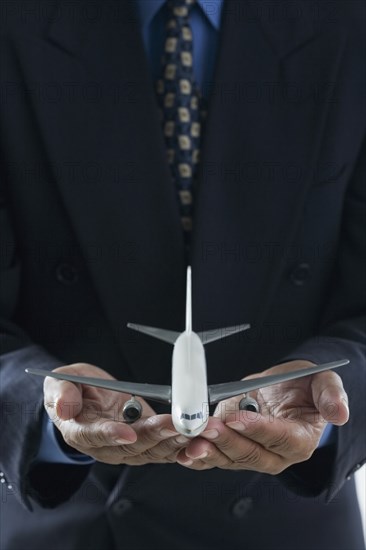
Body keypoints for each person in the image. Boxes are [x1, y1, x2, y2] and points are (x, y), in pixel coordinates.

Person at [0, 0, 365, 549]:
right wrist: (48, 411)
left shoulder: (349, 22)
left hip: (284, 525)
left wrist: (330, 399)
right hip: (70, 520)